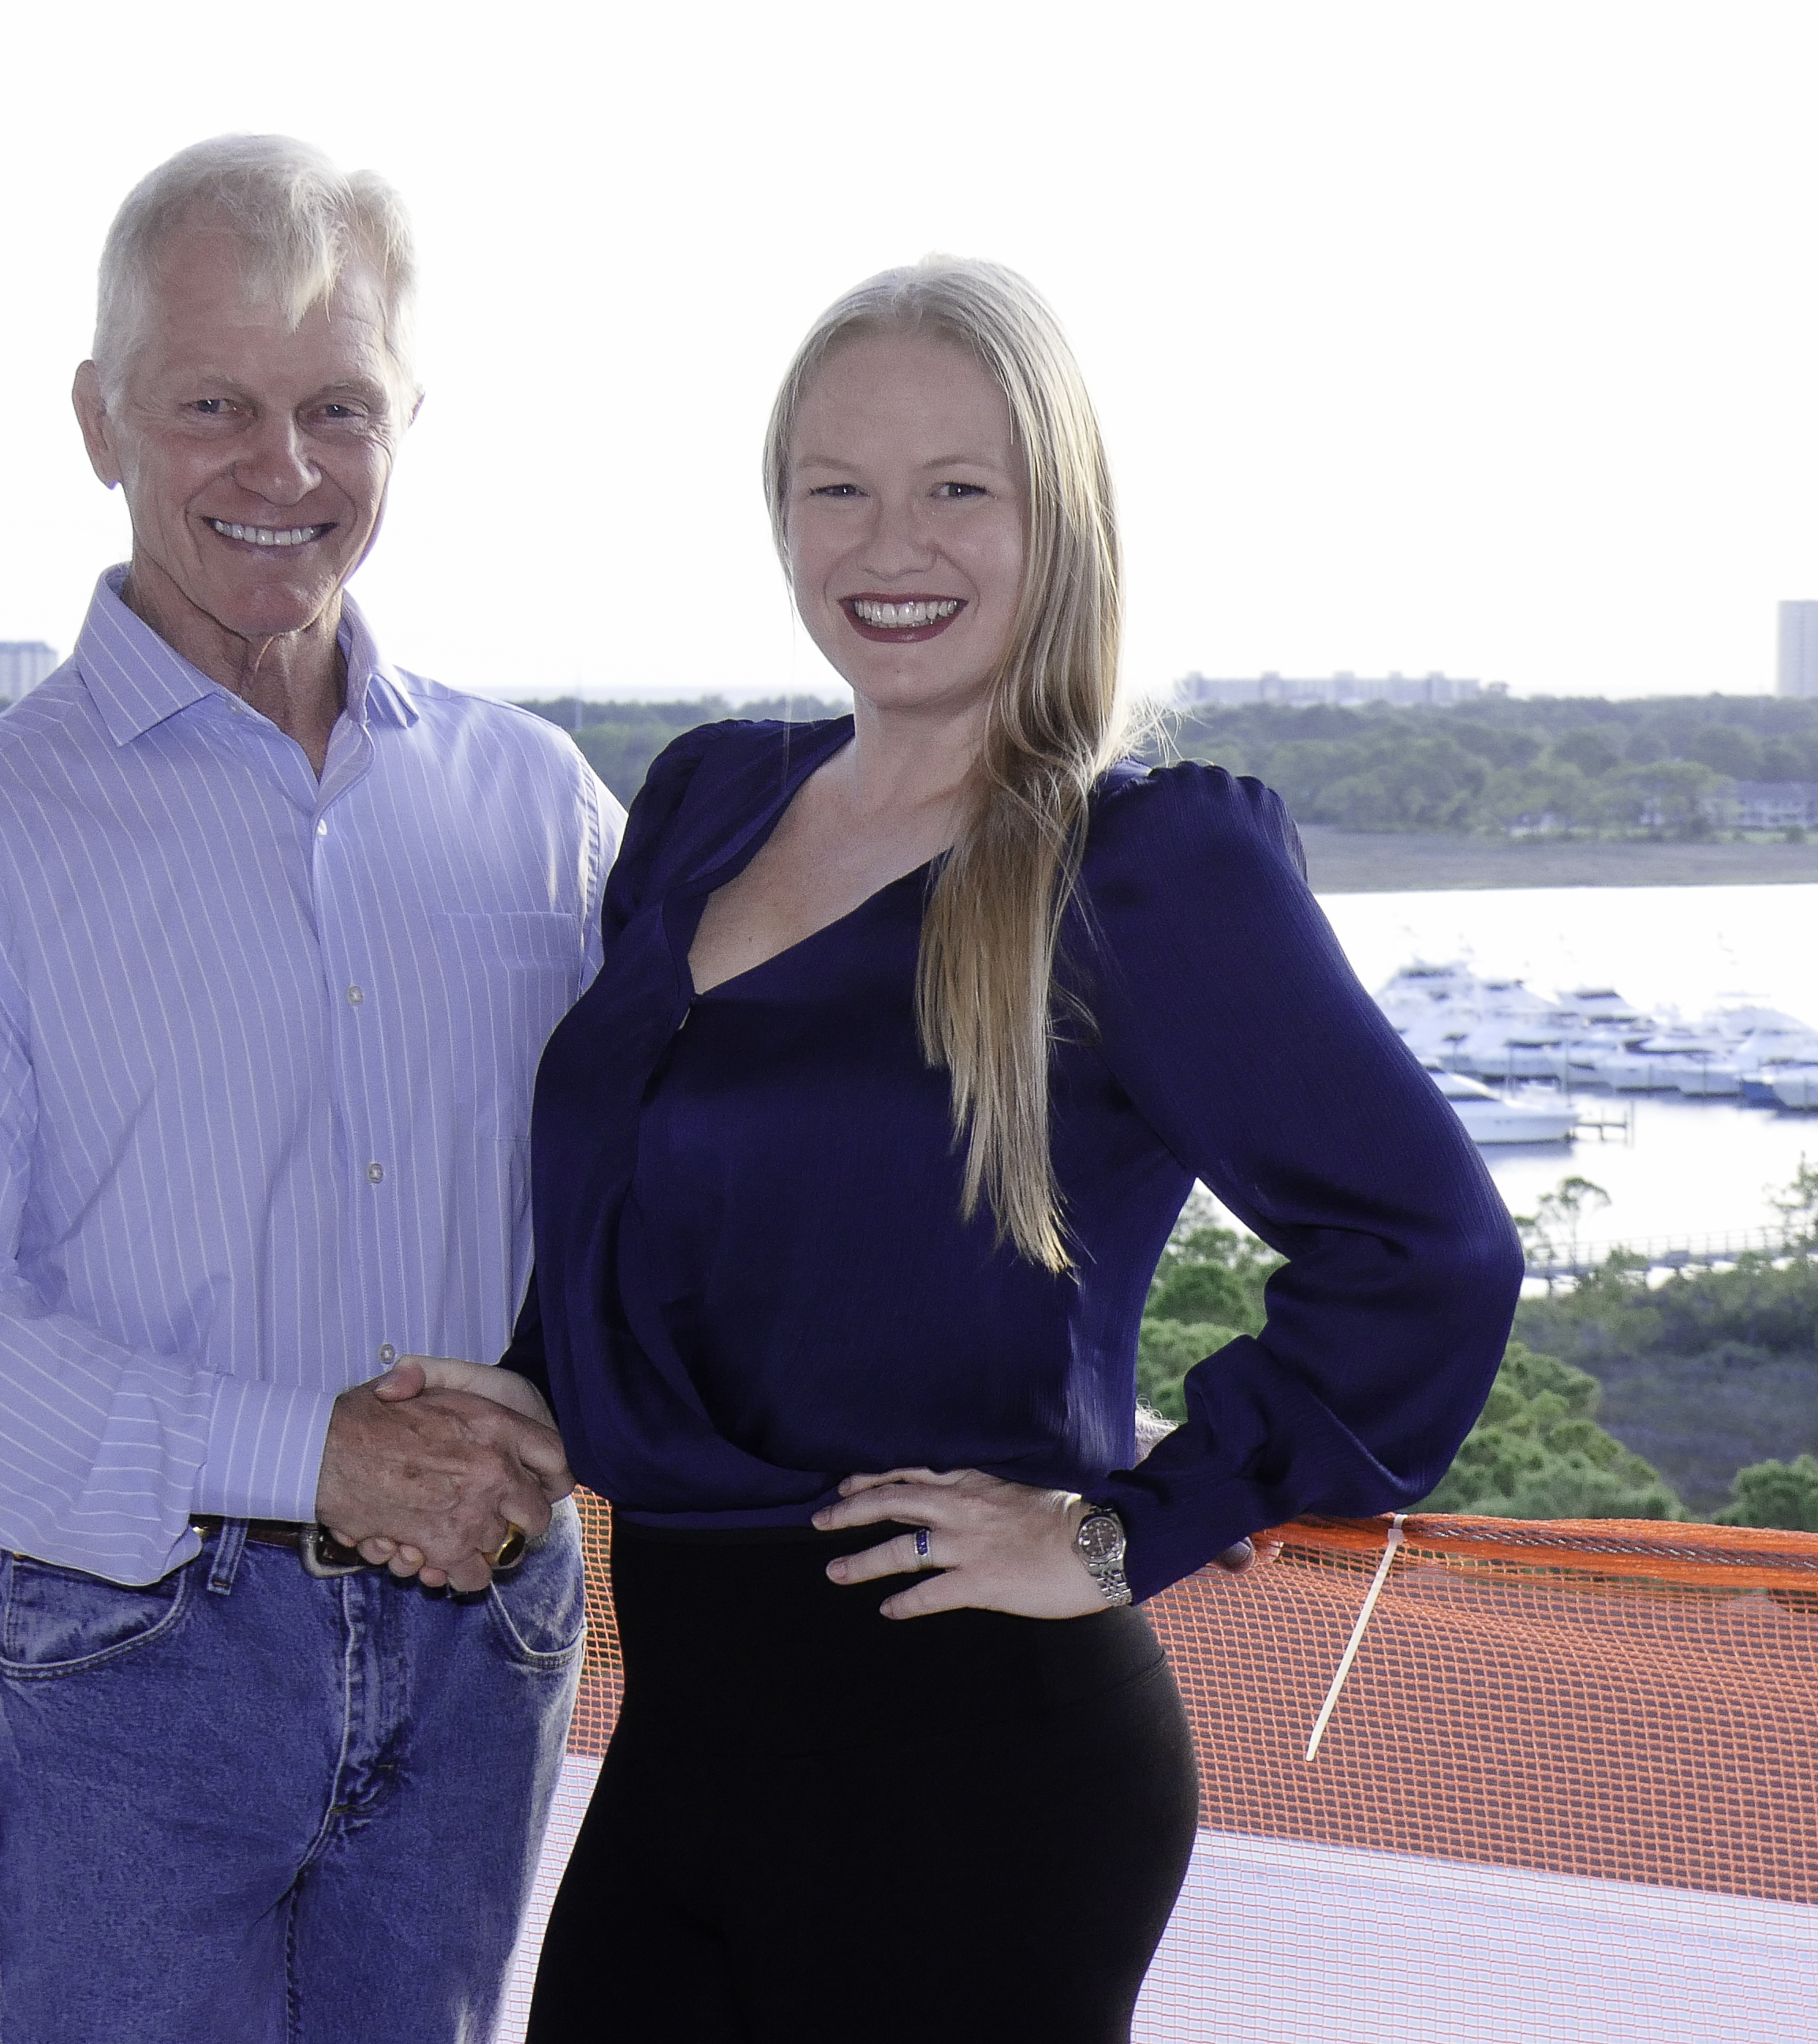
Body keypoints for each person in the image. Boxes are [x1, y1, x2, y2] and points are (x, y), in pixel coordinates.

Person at [506, 258, 1525, 2039]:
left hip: (972, 1764)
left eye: (958, 489)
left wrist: (1137, 1531)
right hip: (679, 1732)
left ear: (1059, 518)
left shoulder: (1139, 867)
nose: (889, 544)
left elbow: (1428, 1256)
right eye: (838, 488)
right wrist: (529, 1389)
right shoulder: (705, 802)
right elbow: (643, 1199)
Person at [0, 136, 622, 2044]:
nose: (284, 469)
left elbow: (657, 1216)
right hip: (142, 1642)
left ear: (408, 417)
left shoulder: (542, 804)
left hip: (489, 1629)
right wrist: (315, 1454)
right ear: (99, 420)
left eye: (338, 407)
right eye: (213, 407)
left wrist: (533, 1431)